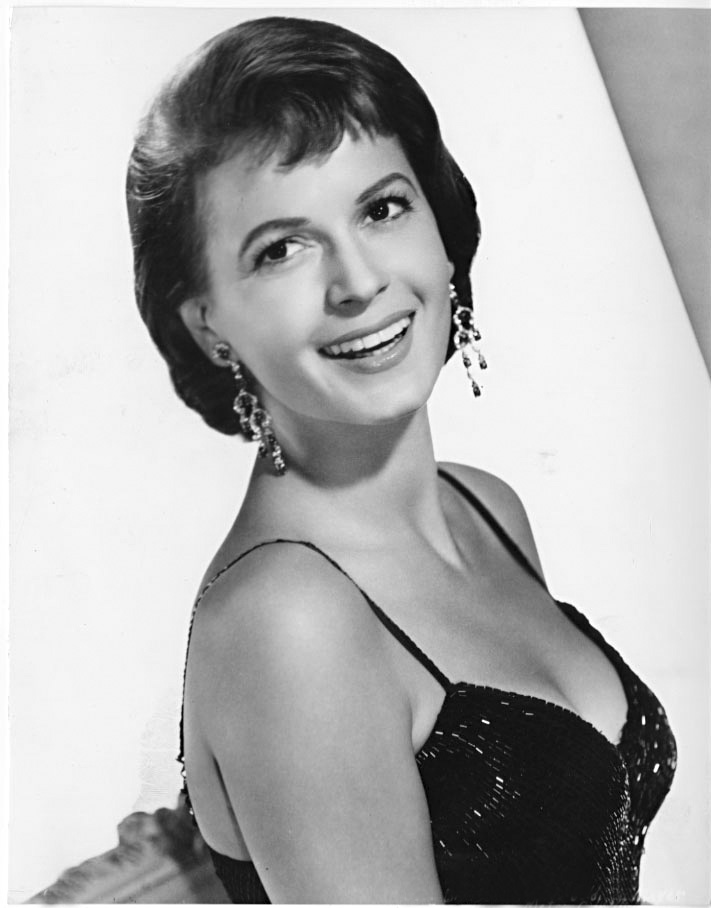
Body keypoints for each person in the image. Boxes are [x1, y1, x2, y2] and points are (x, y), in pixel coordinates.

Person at [125, 16, 676, 904]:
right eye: (281, 249)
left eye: (381, 208)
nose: (358, 282)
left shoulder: (484, 509)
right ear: (207, 323)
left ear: (439, 224)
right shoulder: (289, 621)